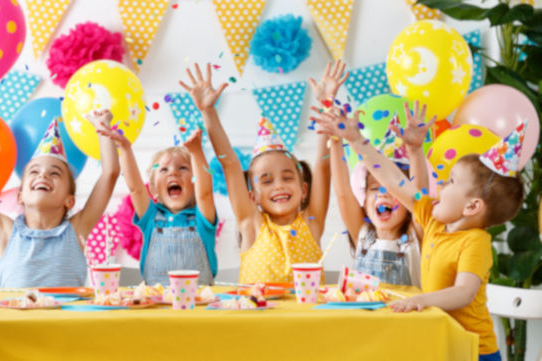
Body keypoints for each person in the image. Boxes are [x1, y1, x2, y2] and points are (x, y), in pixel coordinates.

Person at [312, 106, 526, 361]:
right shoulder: (433, 221)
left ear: (472, 207)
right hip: (440, 341)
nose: (442, 185)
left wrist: (421, 300)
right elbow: (393, 180)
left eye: (450, 182)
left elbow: (464, 292)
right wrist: (358, 140)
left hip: (473, 351)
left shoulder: (475, 242)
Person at [179, 61, 344, 283]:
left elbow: (323, 167)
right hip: (255, 317)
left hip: (307, 318)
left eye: (287, 177)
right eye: (266, 181)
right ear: (252, 196)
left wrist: (327, 105)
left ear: (304, 190)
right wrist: (208, 111)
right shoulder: (251, 224)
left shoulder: (312, 222)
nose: (279, 185)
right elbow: (230, 164)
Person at [0, 106, 119, 287]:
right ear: (20, 197)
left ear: (69, 200)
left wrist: (102, 127)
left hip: (64, 316)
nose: (42, 175)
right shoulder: (4, 230)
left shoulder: (77, 229)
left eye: (55, 173)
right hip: (15, 316)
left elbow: (110, 174)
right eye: (34, 171)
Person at [96, 117, 217, 286]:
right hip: (155, 303)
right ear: (153, 189)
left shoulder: (202, 218)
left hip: (198, 304)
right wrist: (125, 148)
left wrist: (196, 152)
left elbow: (205, 193)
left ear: (195, 182)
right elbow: (136, 189)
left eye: (183, 168)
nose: (173, 173)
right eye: (164, 170)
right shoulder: (152, 217)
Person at [326, 101, 434, 286]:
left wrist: (415, 153)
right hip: (364, 315)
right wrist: (336, 140)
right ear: (364, 196)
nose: (383, 194)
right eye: (375, 188)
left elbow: (418, 197)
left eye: (393, 190)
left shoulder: (417, 235)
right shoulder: (362, 234)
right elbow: (343, 193)